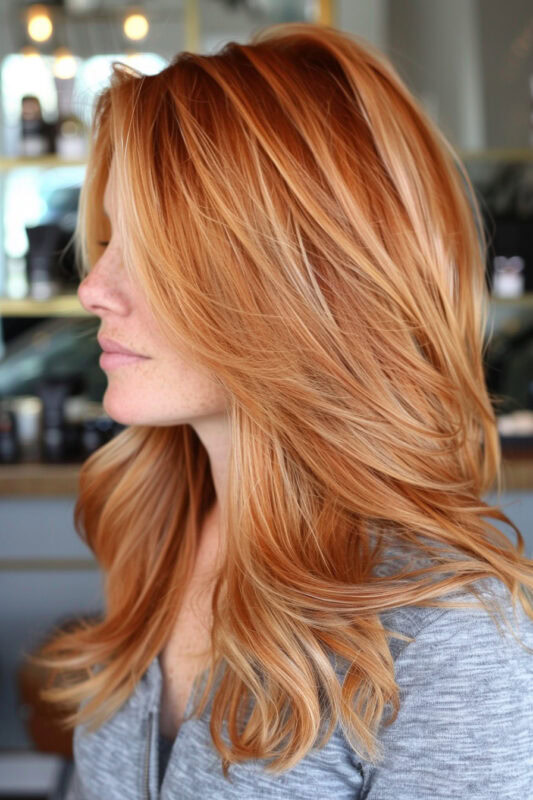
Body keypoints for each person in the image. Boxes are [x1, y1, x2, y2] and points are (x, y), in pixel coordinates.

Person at [33, 22, 533, 799]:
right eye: (107, 239)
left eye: (153, 249)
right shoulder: (159, 531)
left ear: (295, 281)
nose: (93, 286)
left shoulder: (448, 631)